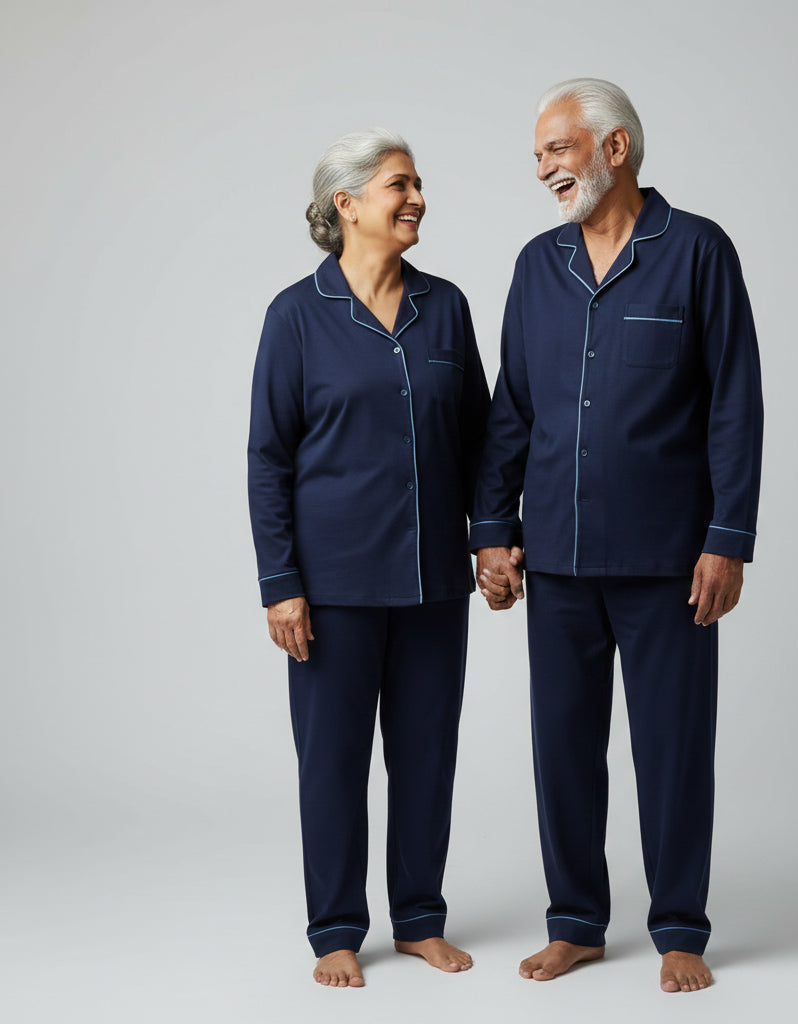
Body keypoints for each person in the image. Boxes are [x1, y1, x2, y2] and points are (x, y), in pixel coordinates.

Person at [472, 79, 763, 993]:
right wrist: (492, 529)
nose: (543, 169)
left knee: (673, 748)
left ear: (615, 149)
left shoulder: (699, 253)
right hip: (555, 556)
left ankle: (679, 927)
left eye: (557, 150)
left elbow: (736, 404)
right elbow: (510, 408)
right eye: (538, 156)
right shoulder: (535, 265)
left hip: (670, 561)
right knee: (561, 746)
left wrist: (728, 537)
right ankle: (577, 923)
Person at [247, 129, 490, 988]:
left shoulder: (448, 308)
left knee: (428, 753)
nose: (417, 197)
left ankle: (420, 918)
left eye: (420, 183)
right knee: (335, 762)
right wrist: (281, 584)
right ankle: (338, 930)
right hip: (332, 589)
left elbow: (483, 441)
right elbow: (268, 458)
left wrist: (491, 538)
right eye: (399, 184)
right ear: (346, 204)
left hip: (432, 584)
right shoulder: (295, 316)